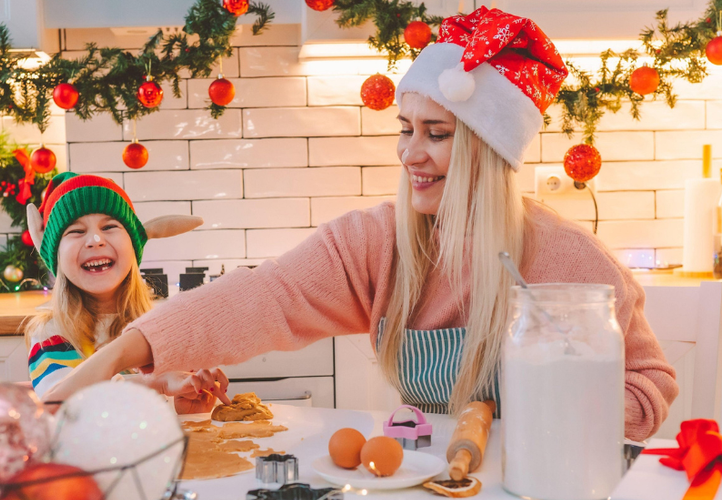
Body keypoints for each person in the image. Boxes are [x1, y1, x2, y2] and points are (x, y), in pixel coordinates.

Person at [43, 7, 677, 440]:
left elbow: (649, 389)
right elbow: (262, 297)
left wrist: (563, 403)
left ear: (492, 149)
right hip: (432, 480)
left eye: (438, 134)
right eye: (405, 131)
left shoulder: (571, 264)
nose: (410, 154)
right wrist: (111, 360)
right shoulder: (376, 245)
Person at [23, 172, 231, 413]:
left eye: (109, 226)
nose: (95, 239)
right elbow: (63, 409)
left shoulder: (158, 329)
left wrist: (182, 407)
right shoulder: (52, 335)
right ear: (56, 257)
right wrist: (156, 386)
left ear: (134, 245)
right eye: (76, 231)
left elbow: (152, 420)